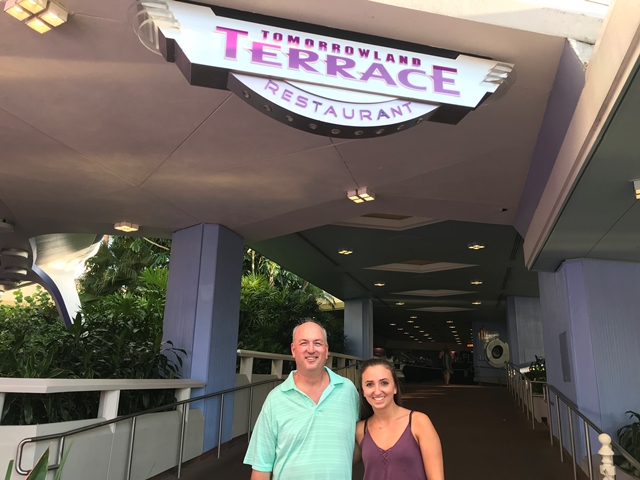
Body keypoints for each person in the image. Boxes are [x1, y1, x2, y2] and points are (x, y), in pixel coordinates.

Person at [243, 320, 359, 479]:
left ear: (326, 350)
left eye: (317, 343)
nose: (311, 349)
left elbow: (360, 441)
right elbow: (261, 468)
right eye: (304, 343)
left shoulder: (348, 391)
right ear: (293, 350)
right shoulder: (275, 399)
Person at [355, 358, 444, 480]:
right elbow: (336, 463)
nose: (377, 391)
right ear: (363, 392)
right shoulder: (360, 430)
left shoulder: (419, 422)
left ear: (395, 387)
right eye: (369, 384)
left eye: (384, 383)